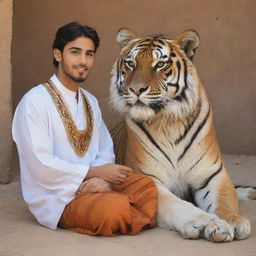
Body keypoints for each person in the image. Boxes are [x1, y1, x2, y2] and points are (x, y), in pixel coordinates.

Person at [12, 22, 157, 236]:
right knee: (114, 209)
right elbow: (39, 164)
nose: (83, 61)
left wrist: (101, 179)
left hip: (95, 185)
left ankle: (114, 207)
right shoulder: (34, 101)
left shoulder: (90, 101)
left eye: (89, 54)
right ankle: (116, 210)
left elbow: (104, 148)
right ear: (58, 54)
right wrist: (92, 173)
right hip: (57, 199)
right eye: (75, 52)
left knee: (147, 188)